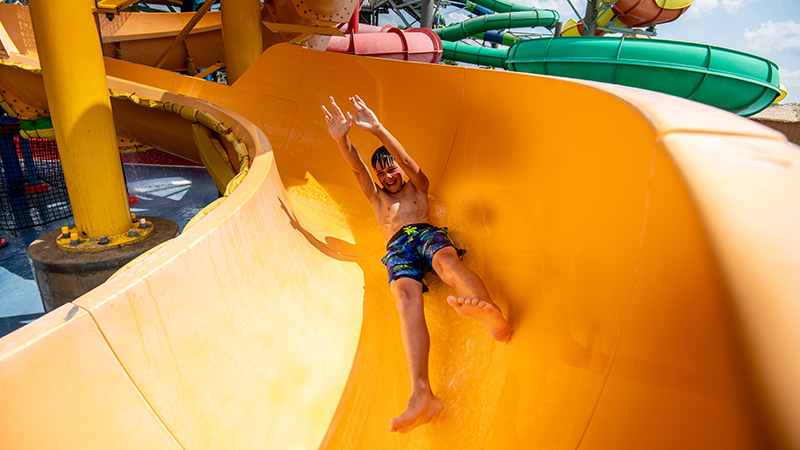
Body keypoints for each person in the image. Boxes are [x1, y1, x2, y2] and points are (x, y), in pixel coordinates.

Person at [321, 95, 512, 434]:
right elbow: (356, 167)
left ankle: (491, 314)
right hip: (397, 247)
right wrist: (342, 139)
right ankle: (422, 394)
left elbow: (407, 160)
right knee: (405, 297)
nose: (387, 176)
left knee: (446, 262)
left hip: (425, 234)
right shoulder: (377, 199)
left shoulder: (417, 190)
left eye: (390, 169)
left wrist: (378, 129)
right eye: (381, 173)